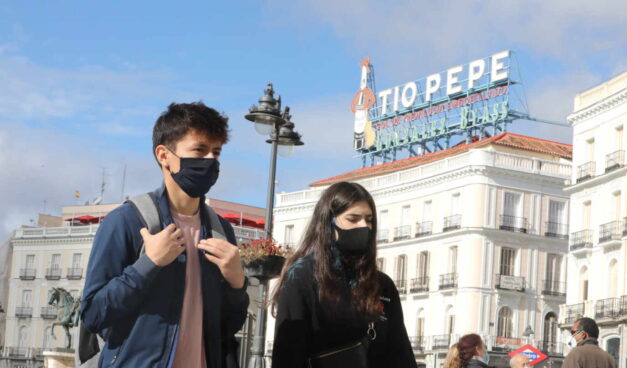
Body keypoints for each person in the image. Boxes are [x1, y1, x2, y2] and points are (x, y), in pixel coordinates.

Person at [81, 102, 249, 368]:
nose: (210, 161)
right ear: (164, 155)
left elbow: (227, 327)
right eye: (199, 150)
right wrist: (148, 265)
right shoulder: (126, 221)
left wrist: (238, 283)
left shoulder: (220, 229)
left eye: (216, 152)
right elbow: (93, 314)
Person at [270, 181, 417, 368]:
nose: (364, 226)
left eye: (369, 220)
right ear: (328, 223)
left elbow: (401, 353)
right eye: (353, 219)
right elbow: (287, 354)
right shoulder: (302, 277)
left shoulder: (382, 285)